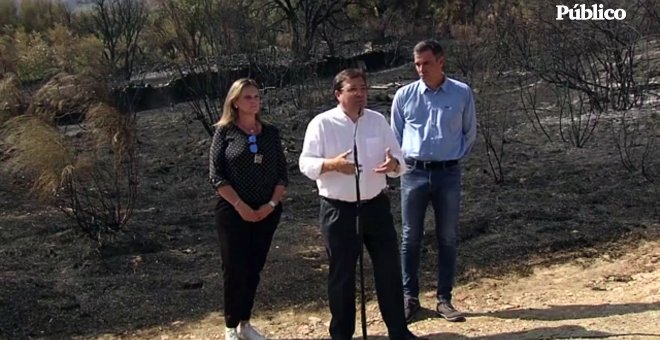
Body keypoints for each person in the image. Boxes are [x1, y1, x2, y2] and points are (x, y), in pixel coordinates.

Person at [299, 68, 424, 340]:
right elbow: (305, 164)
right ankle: (342, 335)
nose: (360, 94)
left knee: (388, 269)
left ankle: (398, 329)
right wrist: (332, 165)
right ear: (338, 94)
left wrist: (394, 165)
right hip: (339, 209)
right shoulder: (322, 124)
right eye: (353, 89)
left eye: (363, 89)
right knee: (342, 276)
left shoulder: (377, 121)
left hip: (375, 207)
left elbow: (400, 161)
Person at [391, 39, 477, 323]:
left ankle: (444, 299)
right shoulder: (404, 95)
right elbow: (396, 136)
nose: (420, 69)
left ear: (441, 61)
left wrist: (450, 156)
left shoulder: (462, 93)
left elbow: (469, 133)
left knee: (448, 237)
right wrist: (408, 161)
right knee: (409, 237)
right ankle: (409, 297)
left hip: (448, 173)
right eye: (416, 64)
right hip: (413, 172)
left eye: (426, 63)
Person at [209, 78, 288, 340]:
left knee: (254, 267)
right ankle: (230, 326)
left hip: (266, 211)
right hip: (233, 211)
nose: (254, 101)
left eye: (256, 96)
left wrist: (270, 205)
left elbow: (282, 176)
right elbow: (217, 176)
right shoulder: (224, 132)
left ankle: (245, 322)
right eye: (247, 97)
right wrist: (240, 206)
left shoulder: (270, 133)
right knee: (234, 267)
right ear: (235, 102)